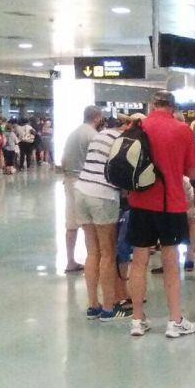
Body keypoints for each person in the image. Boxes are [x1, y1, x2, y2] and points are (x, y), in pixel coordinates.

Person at [126, 91, 195, 338]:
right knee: (170, 262)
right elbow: (193, 171)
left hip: (139, 202)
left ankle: (137, 319)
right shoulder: (182, 130)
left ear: (152, 105)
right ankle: (174, 320)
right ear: (173, 107)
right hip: (171, 203)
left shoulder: (139, 127)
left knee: (139, 261)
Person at [73, 116, 131, 321]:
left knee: (92, 251)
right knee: (108, 252)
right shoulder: (123, 141)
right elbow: (123, 176)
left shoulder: (100, 136)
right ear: (126, 127)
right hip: (103, 195)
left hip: (80, 191)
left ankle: (93, 306)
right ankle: (109, 308)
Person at [61, 106, 104, 273]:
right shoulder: (93, 135)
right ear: (97, 118)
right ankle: (93, 259)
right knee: (89, 224)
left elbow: (63, 161)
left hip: (69, 180)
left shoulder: (73, 133)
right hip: (85, 182)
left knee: (71, 224)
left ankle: (70, 261)